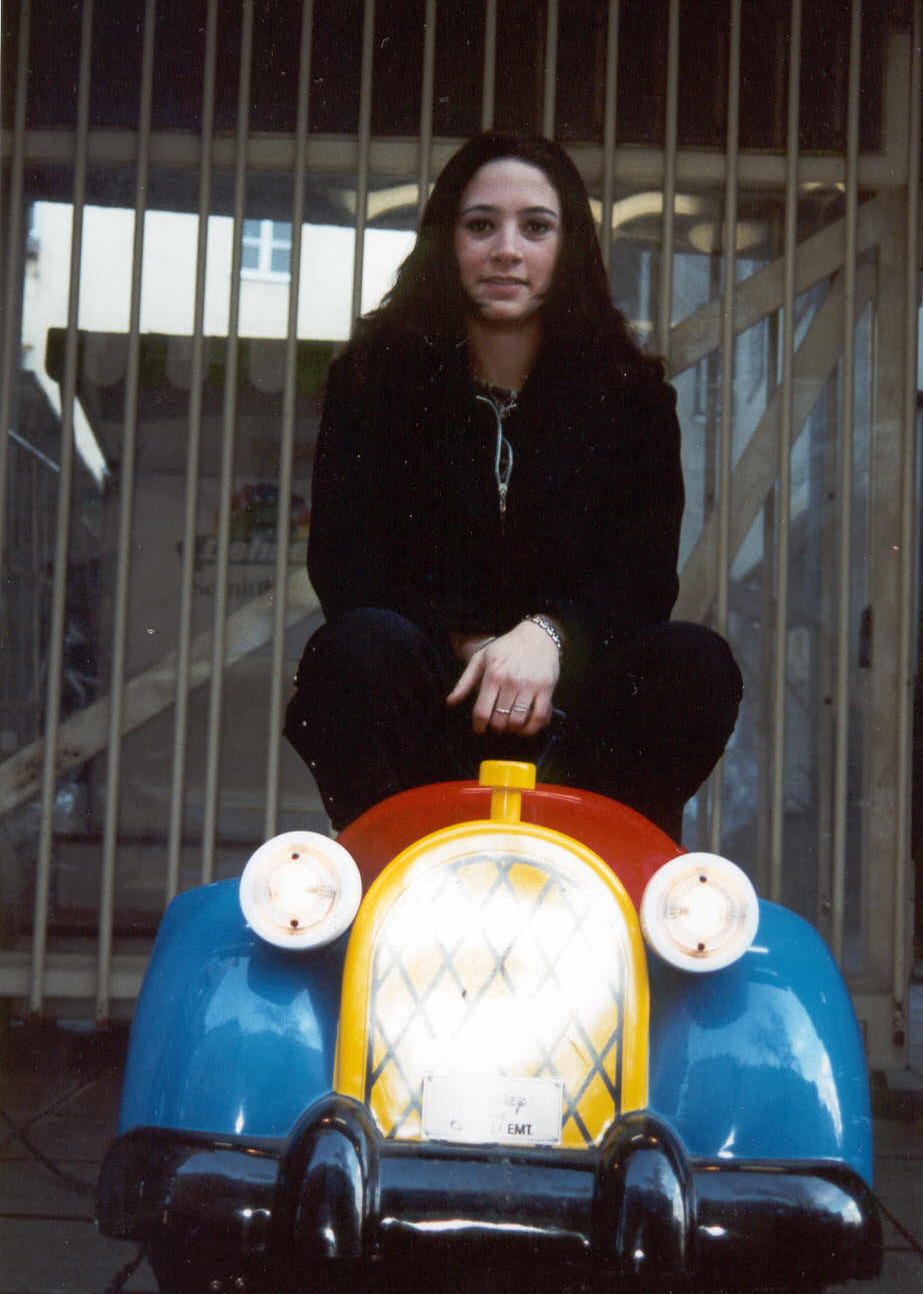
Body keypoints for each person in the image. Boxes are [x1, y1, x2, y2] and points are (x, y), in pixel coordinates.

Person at [286, 132, 742, 841]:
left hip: (577, 712)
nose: (506, 249)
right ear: (447, 242)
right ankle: (392, 865)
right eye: (480, 225)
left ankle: (612, 868)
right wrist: (477, 647)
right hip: (428, 700)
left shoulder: (631, 397)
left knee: (694, 662)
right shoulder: (372, 383)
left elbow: (641, 579)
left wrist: (548, 638)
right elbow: (347, 569)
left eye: (535, 227)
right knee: (353, 650)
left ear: (570, 248)